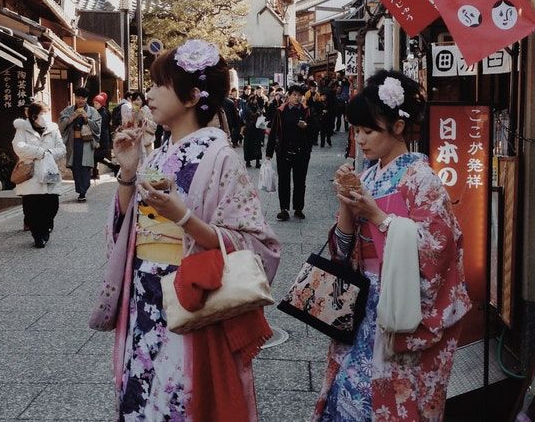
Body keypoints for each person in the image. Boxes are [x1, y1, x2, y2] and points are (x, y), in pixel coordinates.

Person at [108, 39, 280, 421]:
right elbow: (129, 228)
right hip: (145, 294)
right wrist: (128, 172)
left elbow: (257, 244)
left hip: (189, 297)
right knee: (145, 396)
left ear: (191, 97)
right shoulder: (160, 151)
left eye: (159, 85)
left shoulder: (220, 156)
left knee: (183, 397)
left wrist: (182, 217)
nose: (148, 94)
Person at [313, 70, 471, 421]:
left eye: (369, 131)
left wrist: (378, 216)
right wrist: (345, 204)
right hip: (363, 307)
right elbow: (343, 251)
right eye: (356, 131)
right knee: (349, 397)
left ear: (398, 128)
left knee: (398, 400)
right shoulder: (368, 176)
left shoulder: (422, 180)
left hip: (401, 305)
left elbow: (438, 249)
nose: (361, 139)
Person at [12, 102, 66, 248]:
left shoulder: (53, 129)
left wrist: (48, 153)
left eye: (47, 113)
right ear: (34, 116)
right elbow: (19, 147)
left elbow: (61, 149)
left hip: (49, 171)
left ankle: (46, 228)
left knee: (52, 205)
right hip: (31, 174)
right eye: (43, 113)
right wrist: (38, 153)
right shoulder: (22, 128)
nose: (46, 116)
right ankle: (37, 235)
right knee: (31, 208)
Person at [265, 84, 311, 221]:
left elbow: (315, 130)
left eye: (299, 95)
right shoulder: (280, 111)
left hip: (301, 151)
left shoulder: (306, 111)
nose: (297, 98)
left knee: (300, 181)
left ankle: (298, 208)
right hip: (283, 150)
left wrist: (306, 127)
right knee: (283, 180)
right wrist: (269, 153)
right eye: (294, 95)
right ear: (289, 96)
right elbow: (273, 132)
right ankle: (283, 209)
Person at [58, 87, 101, 202]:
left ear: (87, 99)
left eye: (83, 98)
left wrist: (88, 119)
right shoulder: (68, 110)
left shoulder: (93, 111)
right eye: (78, 97)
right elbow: (61, 127)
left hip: (86, 142)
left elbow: (97, 129)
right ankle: (80, 190)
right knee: (76, 166)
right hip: (73, 142)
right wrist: (71, 118)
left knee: (85, 167)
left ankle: (83, 191)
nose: (80, 100)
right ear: (75, 97)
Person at [92, 94, 115, 178]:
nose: (95, 105)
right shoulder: (102, 111)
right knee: (97, 157)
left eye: (97, 104)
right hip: (102, 138)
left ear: (101, 103)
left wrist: (97, 140)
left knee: (97, 157)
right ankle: (96, 173)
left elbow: (100, 128)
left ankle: (113, 167)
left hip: (102, 138)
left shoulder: (103, 113)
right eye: (94, 103)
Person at [127, 91, 157, 155]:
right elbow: (127, 126)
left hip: (146, 141)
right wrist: (132, 118)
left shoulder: (147, 110)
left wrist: (143, 118)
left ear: (142, 101)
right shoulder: (130, 111)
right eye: (134, 100)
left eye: (138, 99)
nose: (136, 102)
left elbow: (154, 126)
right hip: (135, 141)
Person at [242, 95, 264, 168]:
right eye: (254, 99)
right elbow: (250, 115)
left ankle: (257, 162)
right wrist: (257, 114)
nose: (256, 101)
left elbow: (260, 112)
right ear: (251, 100)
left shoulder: (256, 106)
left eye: (256, 99)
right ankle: (248, 162)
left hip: (256, 128)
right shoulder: (247, 106)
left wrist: (260, 112)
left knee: (257, 145)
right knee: (248, 144)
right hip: (249, 129)